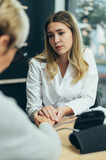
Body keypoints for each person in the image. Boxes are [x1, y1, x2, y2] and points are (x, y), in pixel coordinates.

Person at [0, 0, 61, 160]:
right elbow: (49, 151)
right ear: (3, 44)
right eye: (17, 51)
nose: (56, 40)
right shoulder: (4, 110)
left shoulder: (86, 58)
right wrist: (46, 123)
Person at [26, 10, 99, 125]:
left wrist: (64, 110)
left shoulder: (86, 56)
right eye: (51, 35)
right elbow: (32, 107)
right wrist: (39, 112)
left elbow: (88, 98)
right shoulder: (36, 64)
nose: (56, 40)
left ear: (73, 33)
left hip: (78, 121)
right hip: (48, 123)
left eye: (61, 33)